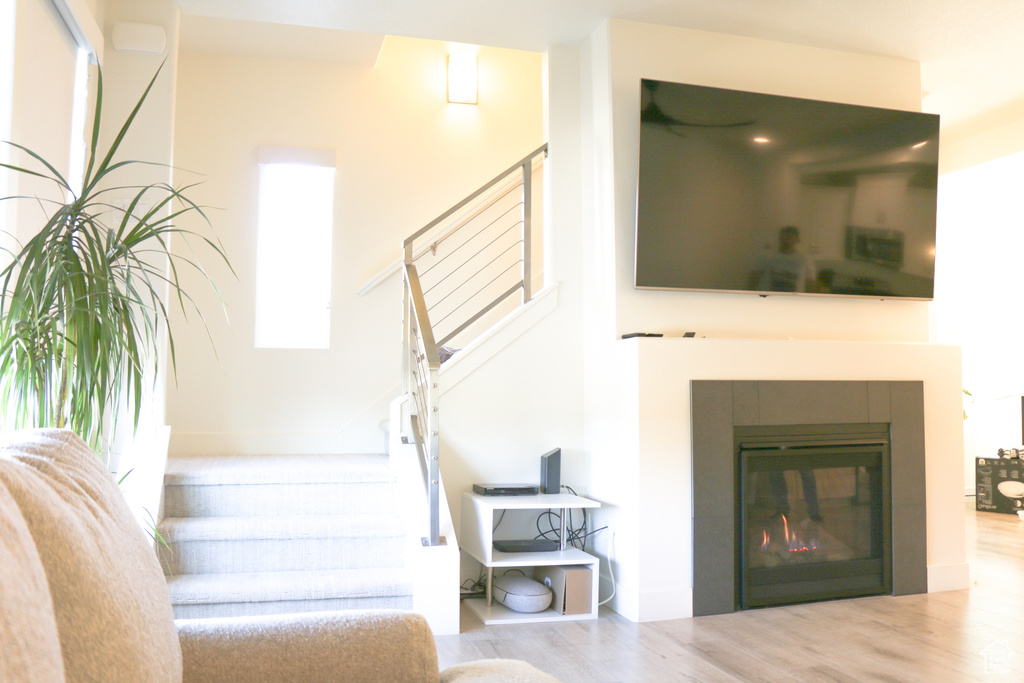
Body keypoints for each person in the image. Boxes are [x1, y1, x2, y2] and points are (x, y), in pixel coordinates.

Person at [748, 225, 818, 293]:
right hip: (768, 300)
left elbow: (811, 284)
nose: (786, 240)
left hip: (794, 301)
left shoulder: (805, 259)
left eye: (789, 237)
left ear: (797, 239)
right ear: (779, 238)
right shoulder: (766, 257)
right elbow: (754, 279)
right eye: (783, 237)